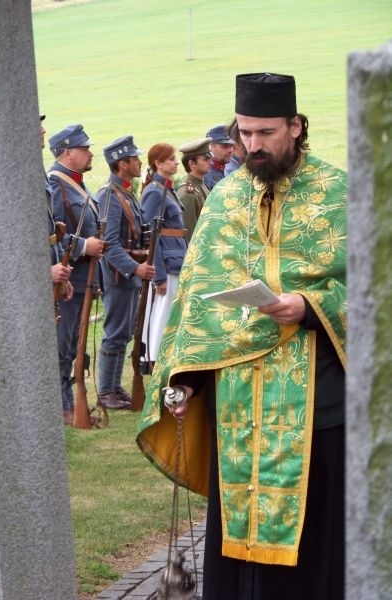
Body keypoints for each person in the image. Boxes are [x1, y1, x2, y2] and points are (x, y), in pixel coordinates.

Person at [137, 72, 346, 600]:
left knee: (315, 551)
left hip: (317, 403)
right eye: (244, 133)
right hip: (236, 404)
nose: (252, 145)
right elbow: (196, 303)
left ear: (295, 126)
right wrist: (185, 382)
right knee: (237, 549)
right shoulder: (226, 197)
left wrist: (310, 307)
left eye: (265, 133)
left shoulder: (341, 194)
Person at [48, 124, 104, 425]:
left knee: (72, 347)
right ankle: (63, 409)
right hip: (69, 277)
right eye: (84, 149)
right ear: (68, 153)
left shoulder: (76, 184)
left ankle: (70, 407)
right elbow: (52, 234)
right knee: (63, 348)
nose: (89, 153)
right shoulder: (56, 185)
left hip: (83, 278)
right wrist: (84, 246)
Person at [96, 135, 155, 410]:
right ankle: (106, 391)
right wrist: (135, 268)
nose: (139, 162)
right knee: (115, 332)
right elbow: (109, 244)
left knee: (124, 334)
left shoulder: (125, 192)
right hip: (119, 276)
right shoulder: (110, 195)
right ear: (122, 164)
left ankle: (115, 388)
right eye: (135, 159)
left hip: (128, 276)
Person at [139, 143, 188, 370]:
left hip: (175, 257)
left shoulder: (166, 188)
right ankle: (154, 359)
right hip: (166, 263)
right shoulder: (153, 192)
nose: (176, 162)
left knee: (170, 313)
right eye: (171, 159)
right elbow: (151, 235)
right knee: (161, 313)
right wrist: (158, 274)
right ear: (158, 163)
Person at [39, 114, 73, 298]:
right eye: (37, 125)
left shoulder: (38, 168)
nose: (43, 130)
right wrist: (44, 272)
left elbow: (53, 231)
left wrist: (61, 269)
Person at [176, 137, 212, 242]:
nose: (211, 162)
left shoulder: (200, 185)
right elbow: (189, 233)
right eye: (205, 159)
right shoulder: (188, 194)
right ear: (192, 163)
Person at [203, 124, 234, 190]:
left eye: (231, 145)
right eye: (225, 146)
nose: (230, 150)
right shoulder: (205, 176)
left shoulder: (228, 168)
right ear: (210, 147)